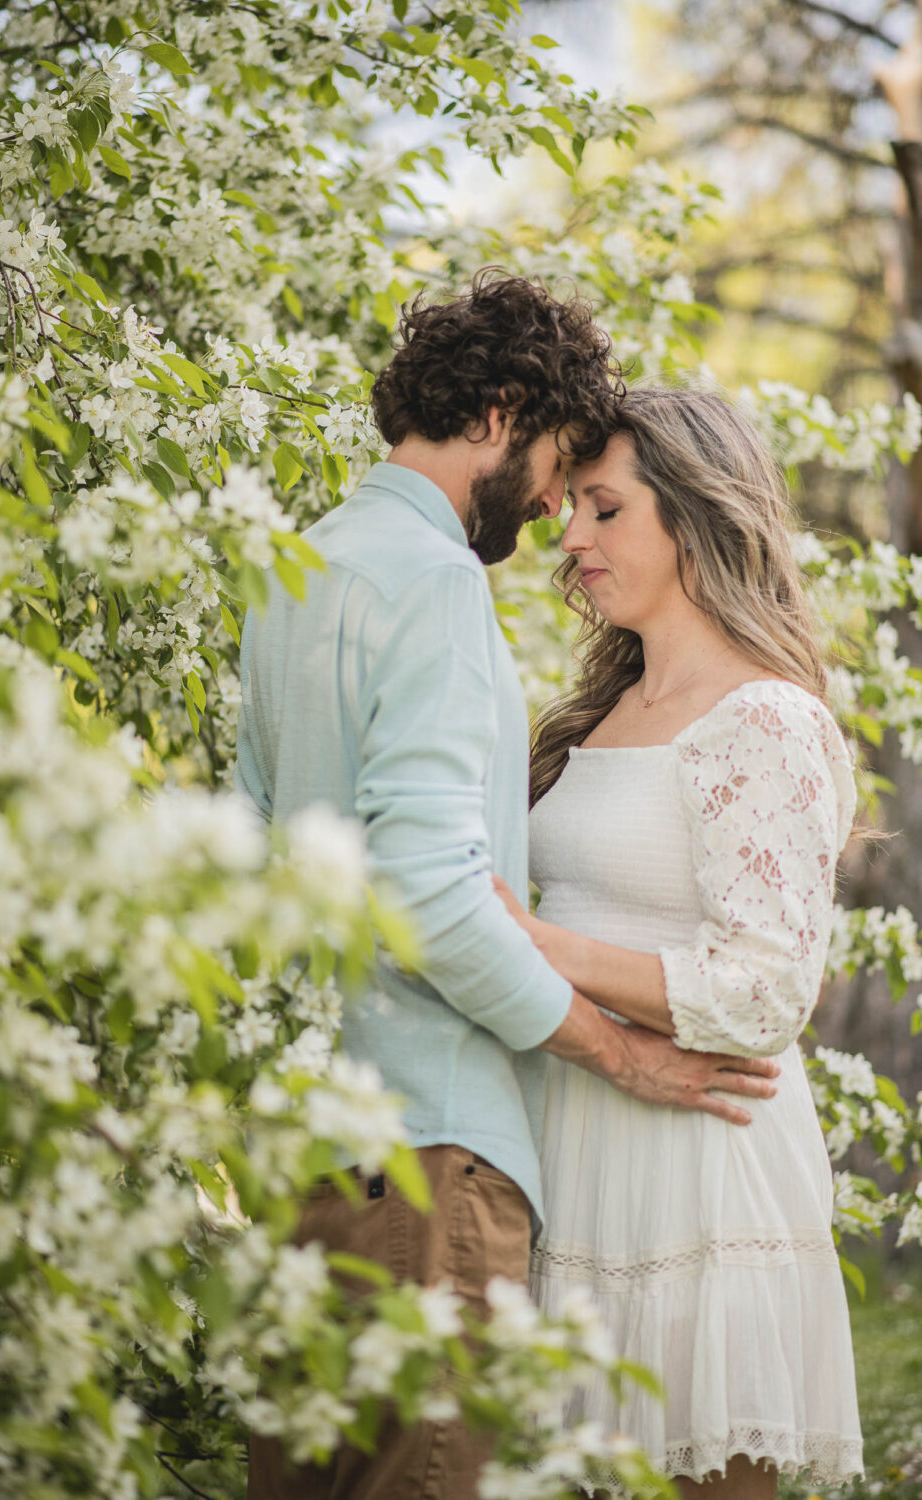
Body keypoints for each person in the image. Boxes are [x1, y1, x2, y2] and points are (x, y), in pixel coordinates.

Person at [233, 276, 779, 1500]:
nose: (548, 507)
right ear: (499, 413)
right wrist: (619, 1055)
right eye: (552, 469)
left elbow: (254, 853)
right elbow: (432, 900)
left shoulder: (294, 571)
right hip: (426, 1161)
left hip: (304, 1155)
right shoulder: (433, 587)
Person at [493, 386, 864, 1497]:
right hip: (583, 1148)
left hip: (703, 1162)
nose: (571, 537)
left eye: (604, 510)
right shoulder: (603, 707)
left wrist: (542, 949)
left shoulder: (765, 719)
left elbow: (765, 989)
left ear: (691, 514)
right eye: (571, 510)